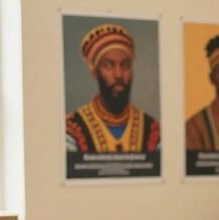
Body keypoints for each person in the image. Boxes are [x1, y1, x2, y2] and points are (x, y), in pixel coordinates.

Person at [66, 23, 160, 153]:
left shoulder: (151, 129)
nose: (118, 75)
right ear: (95, 72)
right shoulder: (73, 128)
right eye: (108, 66)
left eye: (125, 65)